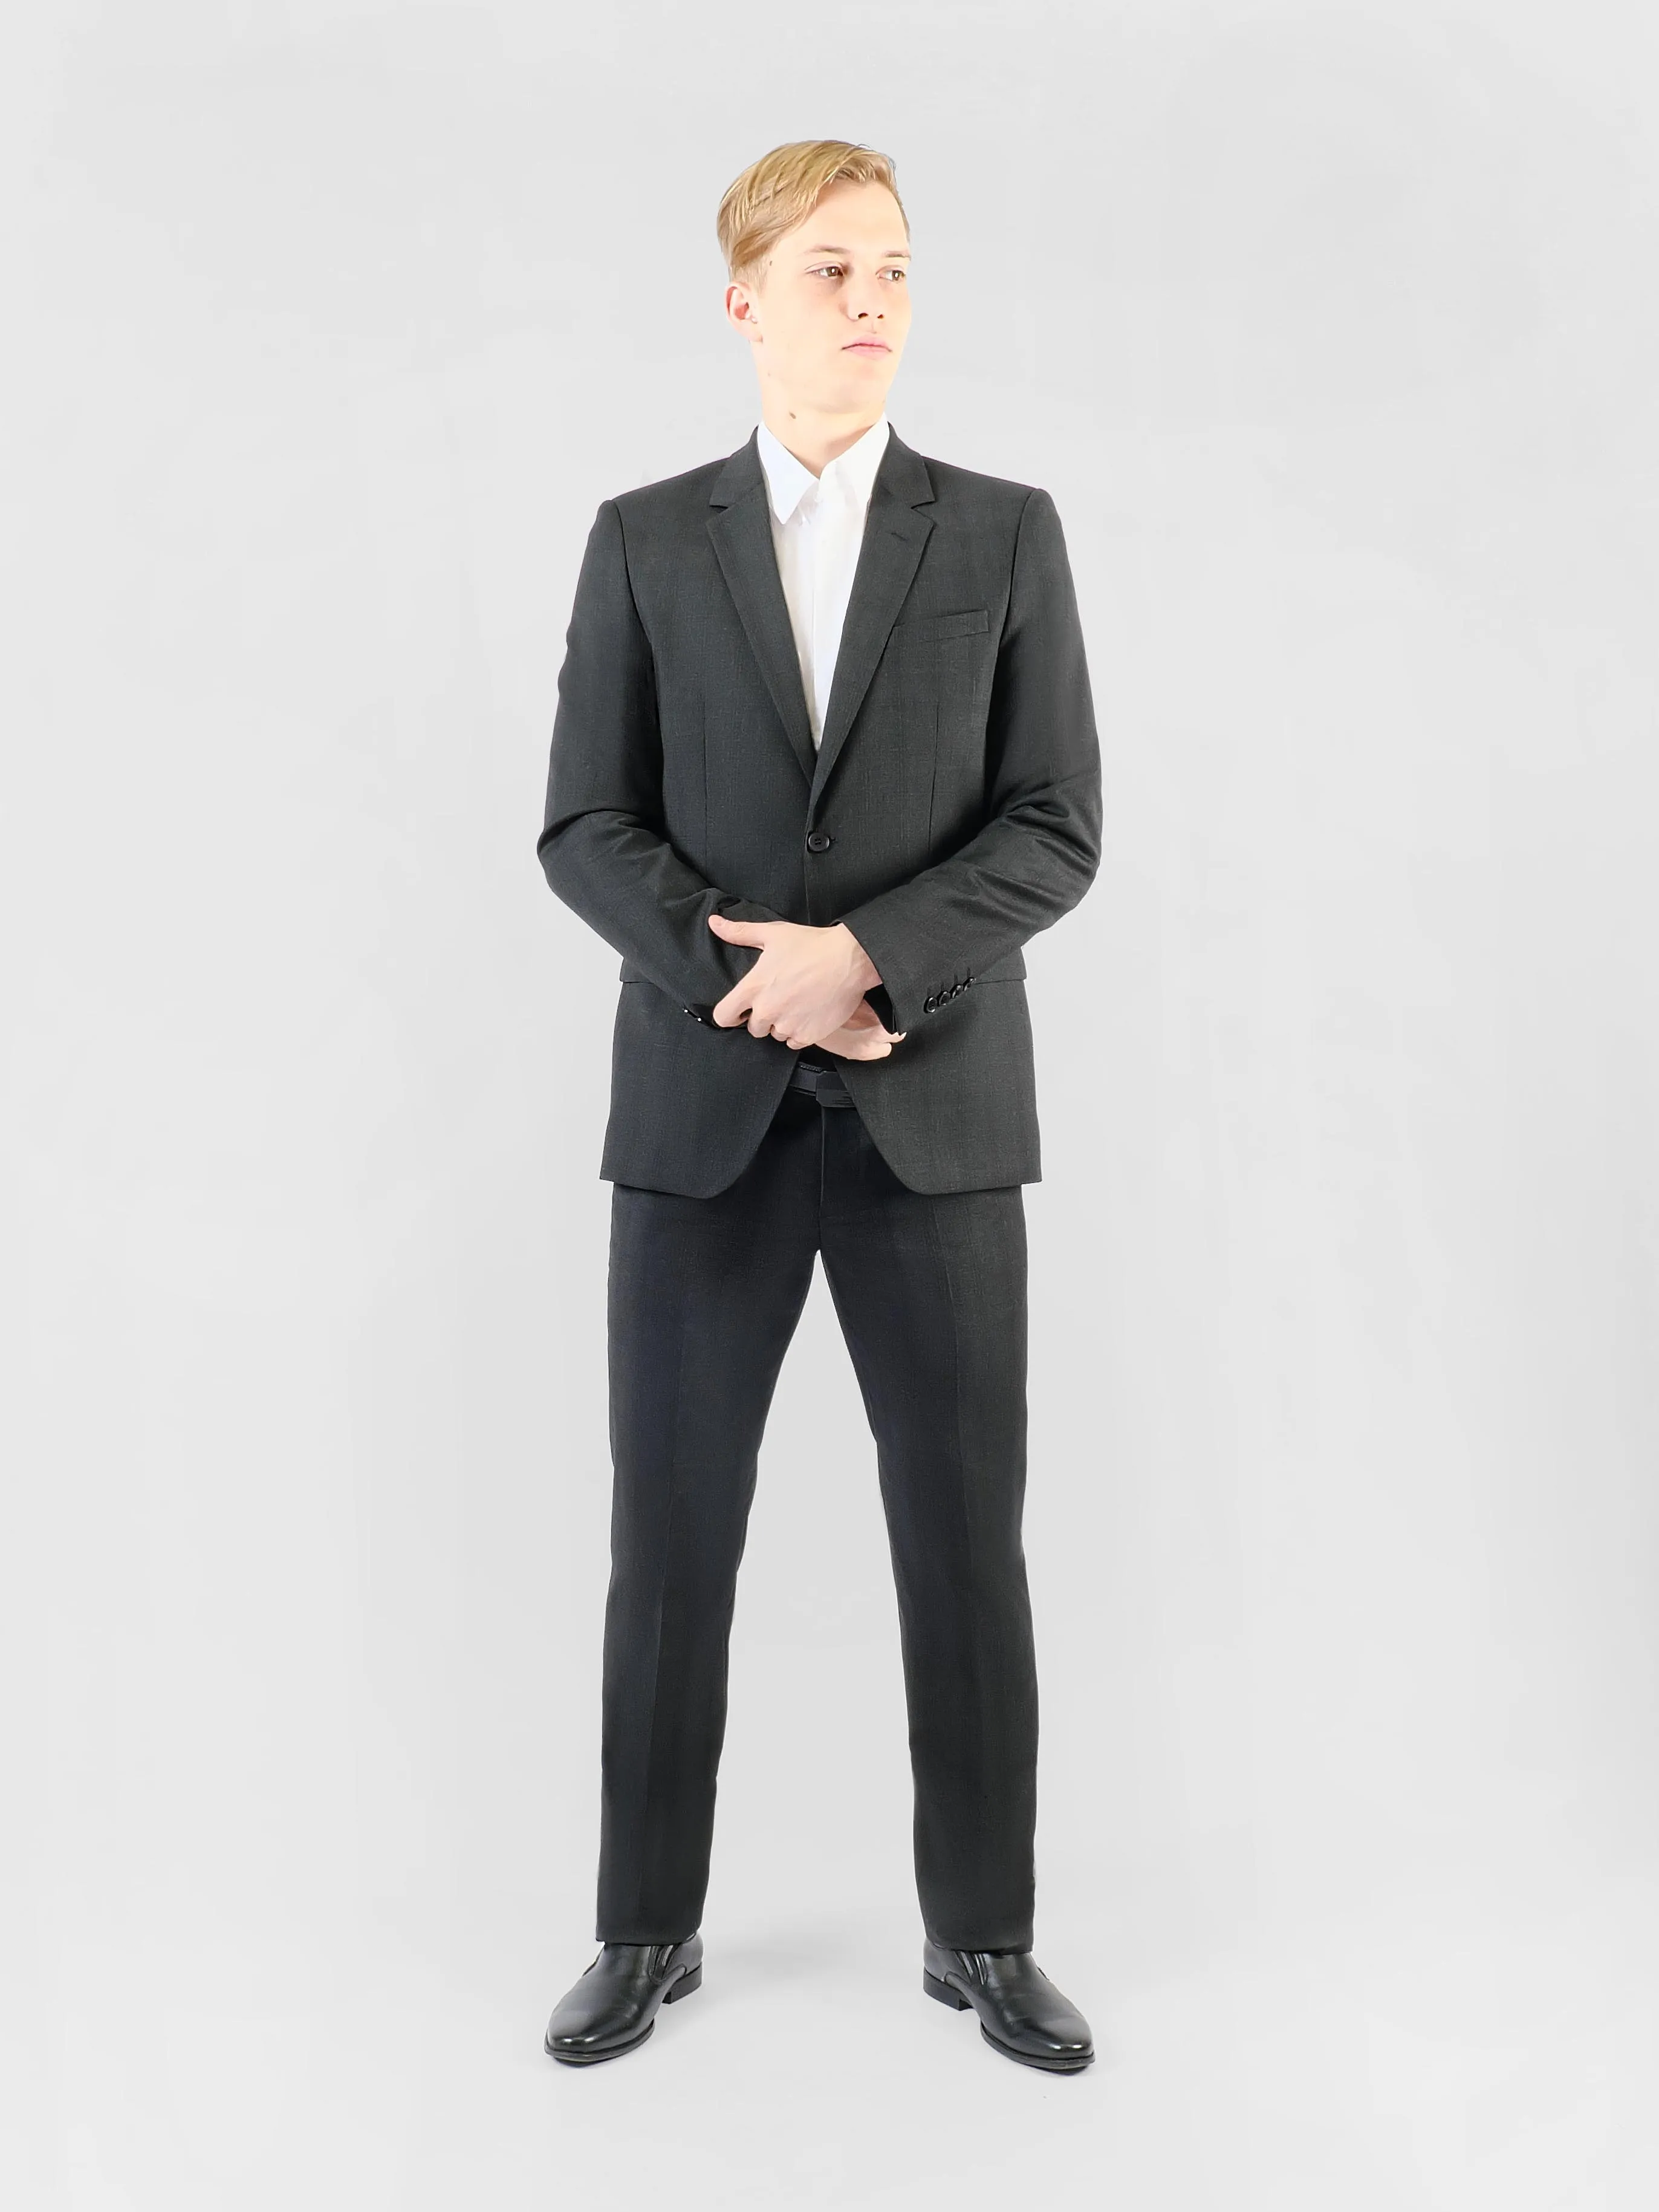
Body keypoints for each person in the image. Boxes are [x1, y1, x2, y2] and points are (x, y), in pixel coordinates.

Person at [536, 139, 1102, 2072]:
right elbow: (584, 822)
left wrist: (867, 958)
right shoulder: (643, 538)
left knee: (964, 1544)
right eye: (833, 270)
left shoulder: (1003, 534)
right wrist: (750, 978)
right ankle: (643, 1928)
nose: (873, 302)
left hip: (936, 1121)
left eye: (897, 271)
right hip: (701, 1128)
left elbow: (1055, 825)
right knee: (670, 1544)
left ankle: (987, 1939)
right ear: (745, 302)